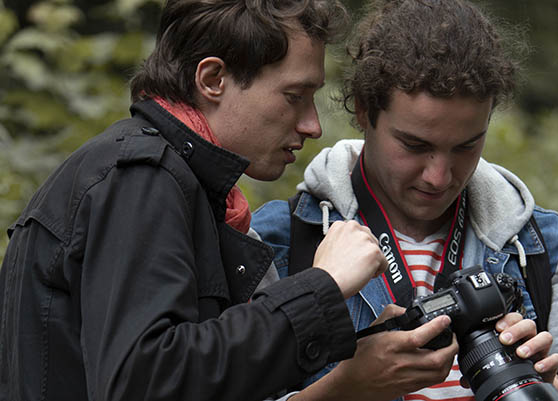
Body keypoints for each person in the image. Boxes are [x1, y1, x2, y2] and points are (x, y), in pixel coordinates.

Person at [0, 1, 392, 401]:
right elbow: (144, 383)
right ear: (213, 78)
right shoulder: (139, 177)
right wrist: (320, 288)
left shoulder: (175, 184)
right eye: (294, 96)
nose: (313, 125)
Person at [251, 0, 558, 400]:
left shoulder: (544, 248)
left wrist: (556, 389)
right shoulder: (278, 242)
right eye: (415, 145)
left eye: (466, 146)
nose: (439, 176)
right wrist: (345, 389)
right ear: (364, 111)